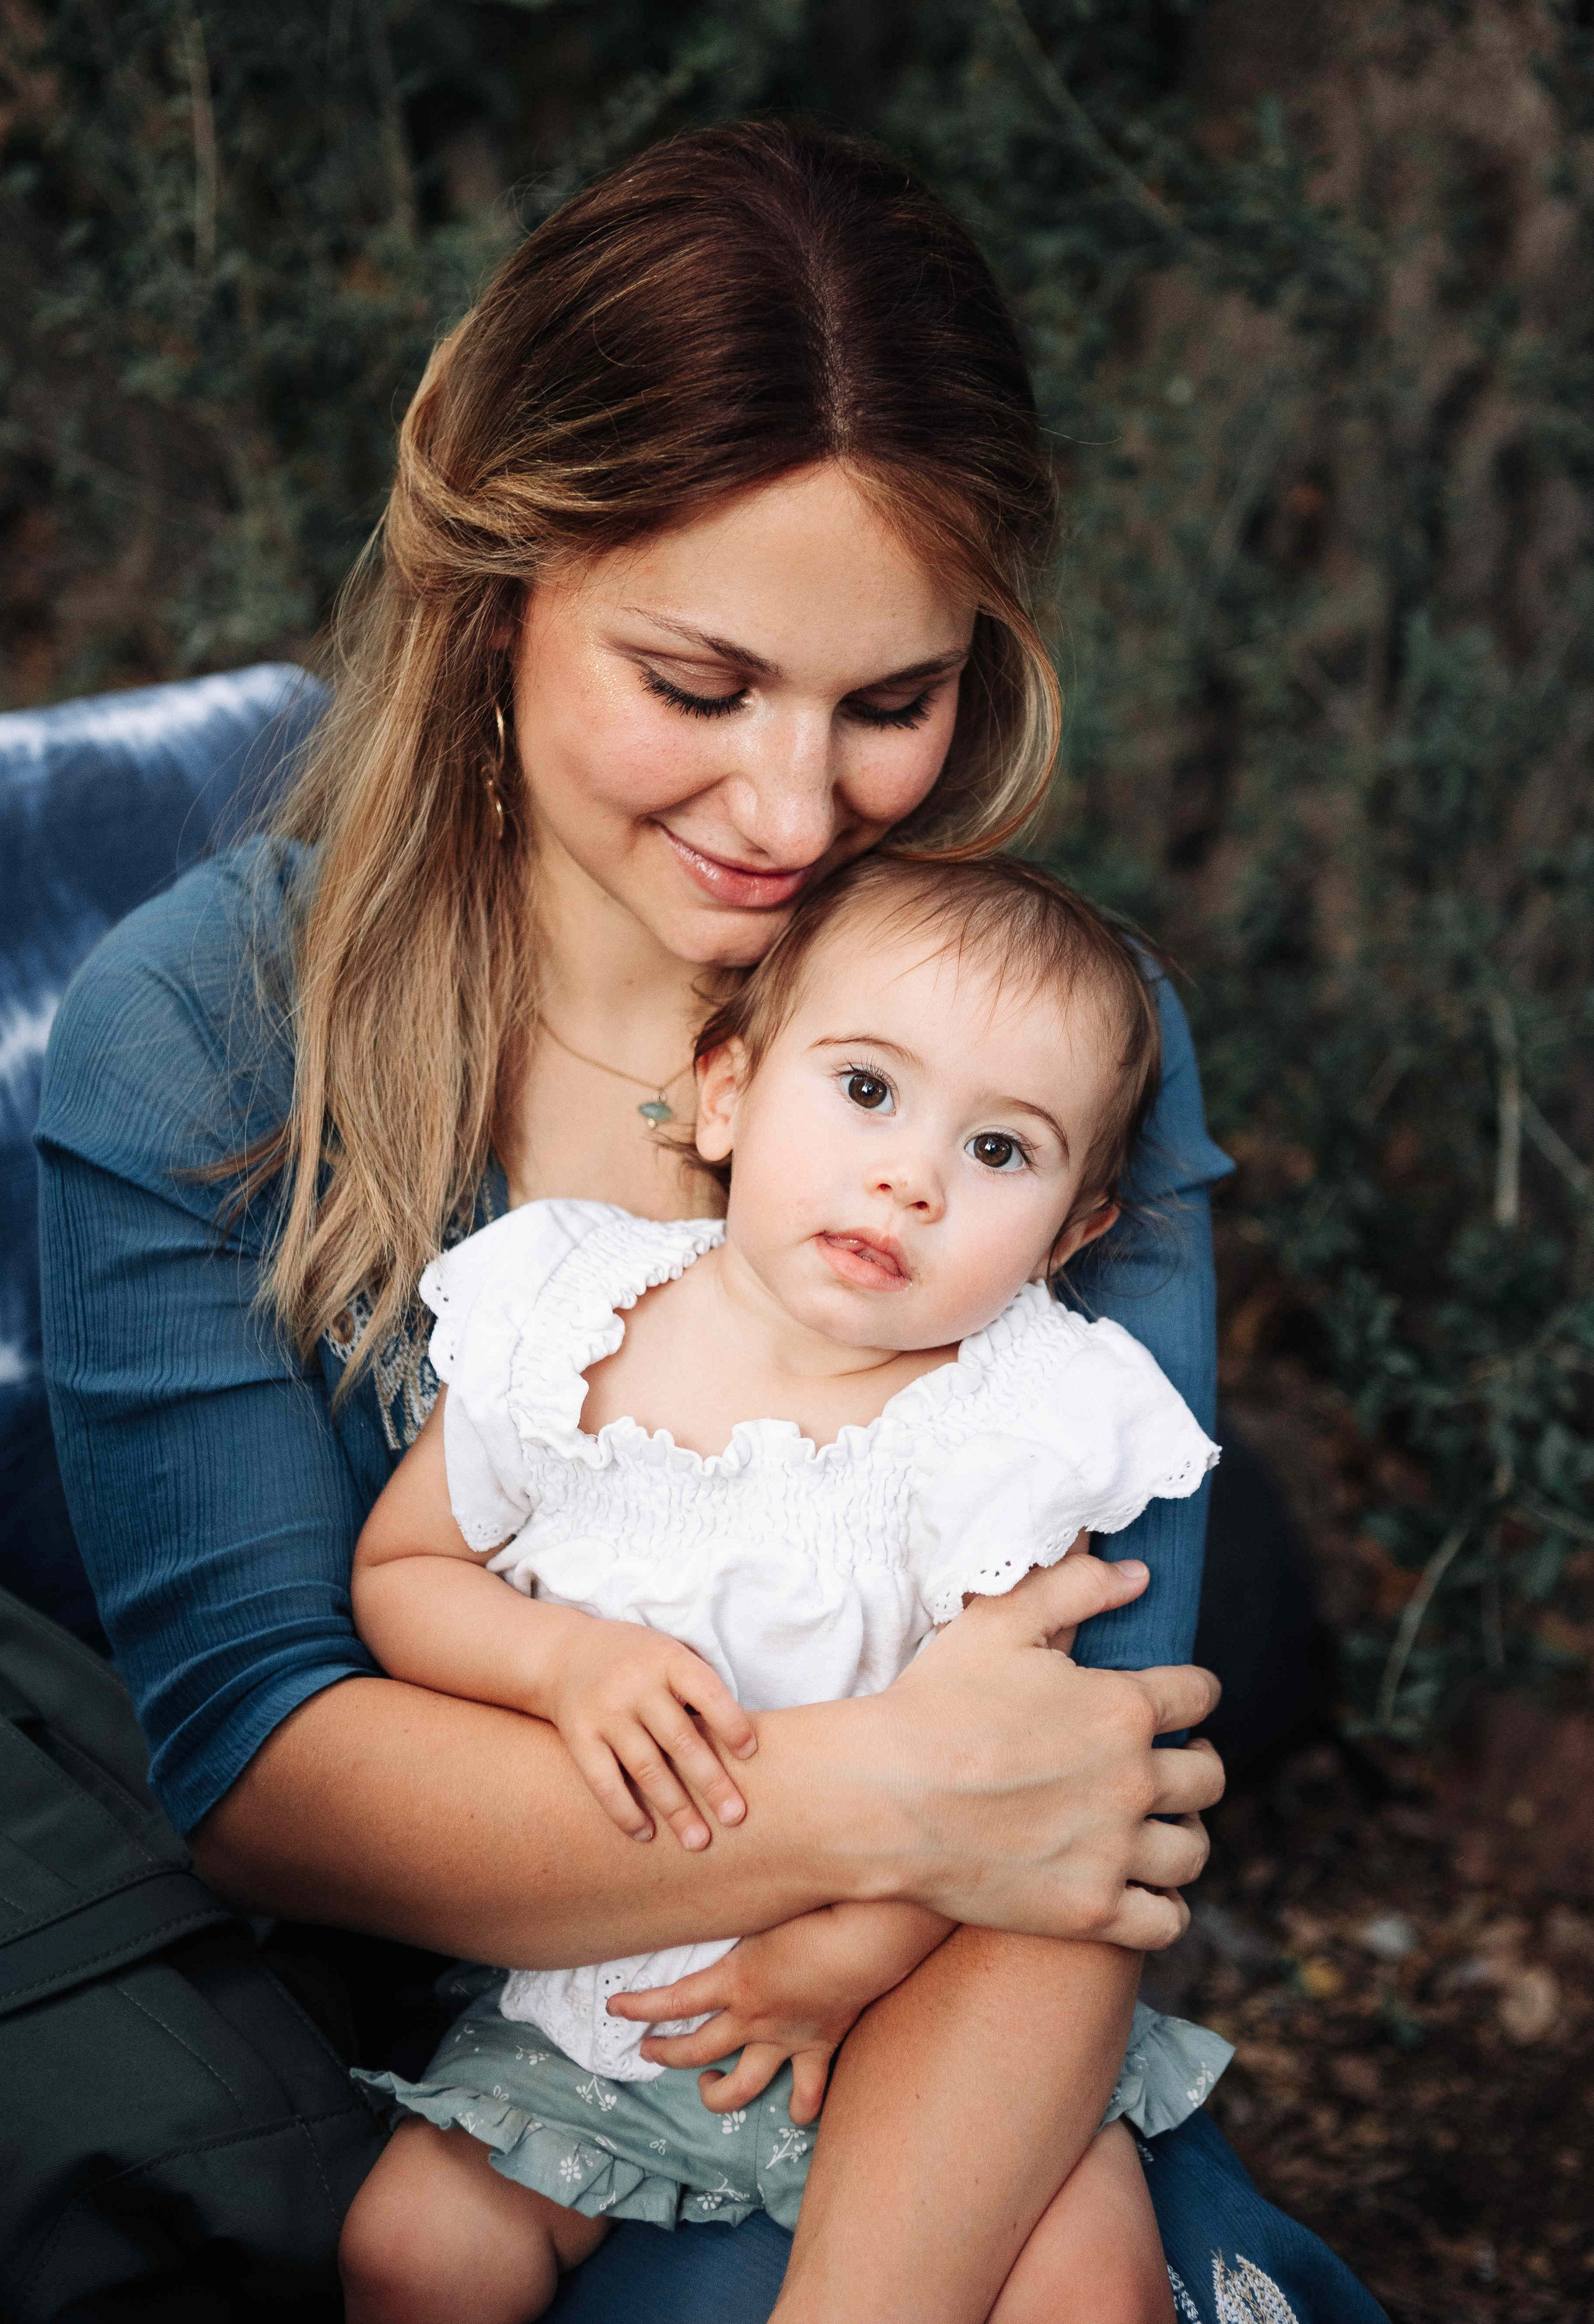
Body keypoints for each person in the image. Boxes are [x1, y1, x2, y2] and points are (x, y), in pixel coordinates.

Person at [36, 121, 1384, 2323]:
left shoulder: (1037, 1048)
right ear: (499, 572)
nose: (790, 813)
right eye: (698, 685)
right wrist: (887, 1793)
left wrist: (929, 1864)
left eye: (892, 704)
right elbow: (274, 1773)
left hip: (939, 2025)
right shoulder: (201, 1035)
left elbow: (1071, 1817)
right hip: (460, 2048)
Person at [337, 854, 1234, 2324]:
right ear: (729, 1093)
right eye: (866, 1091)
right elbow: (404, 1571)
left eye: (1000, 1153)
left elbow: (1021, 1776)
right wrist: (560, 1664)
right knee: (410, 2254)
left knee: (1097, 2297)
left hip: (914, 1993)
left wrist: (849, 1956)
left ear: (1070, 1236)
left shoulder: (1008, 1425)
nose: (912, 1176)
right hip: (607, 1994)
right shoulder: (570, 1318)